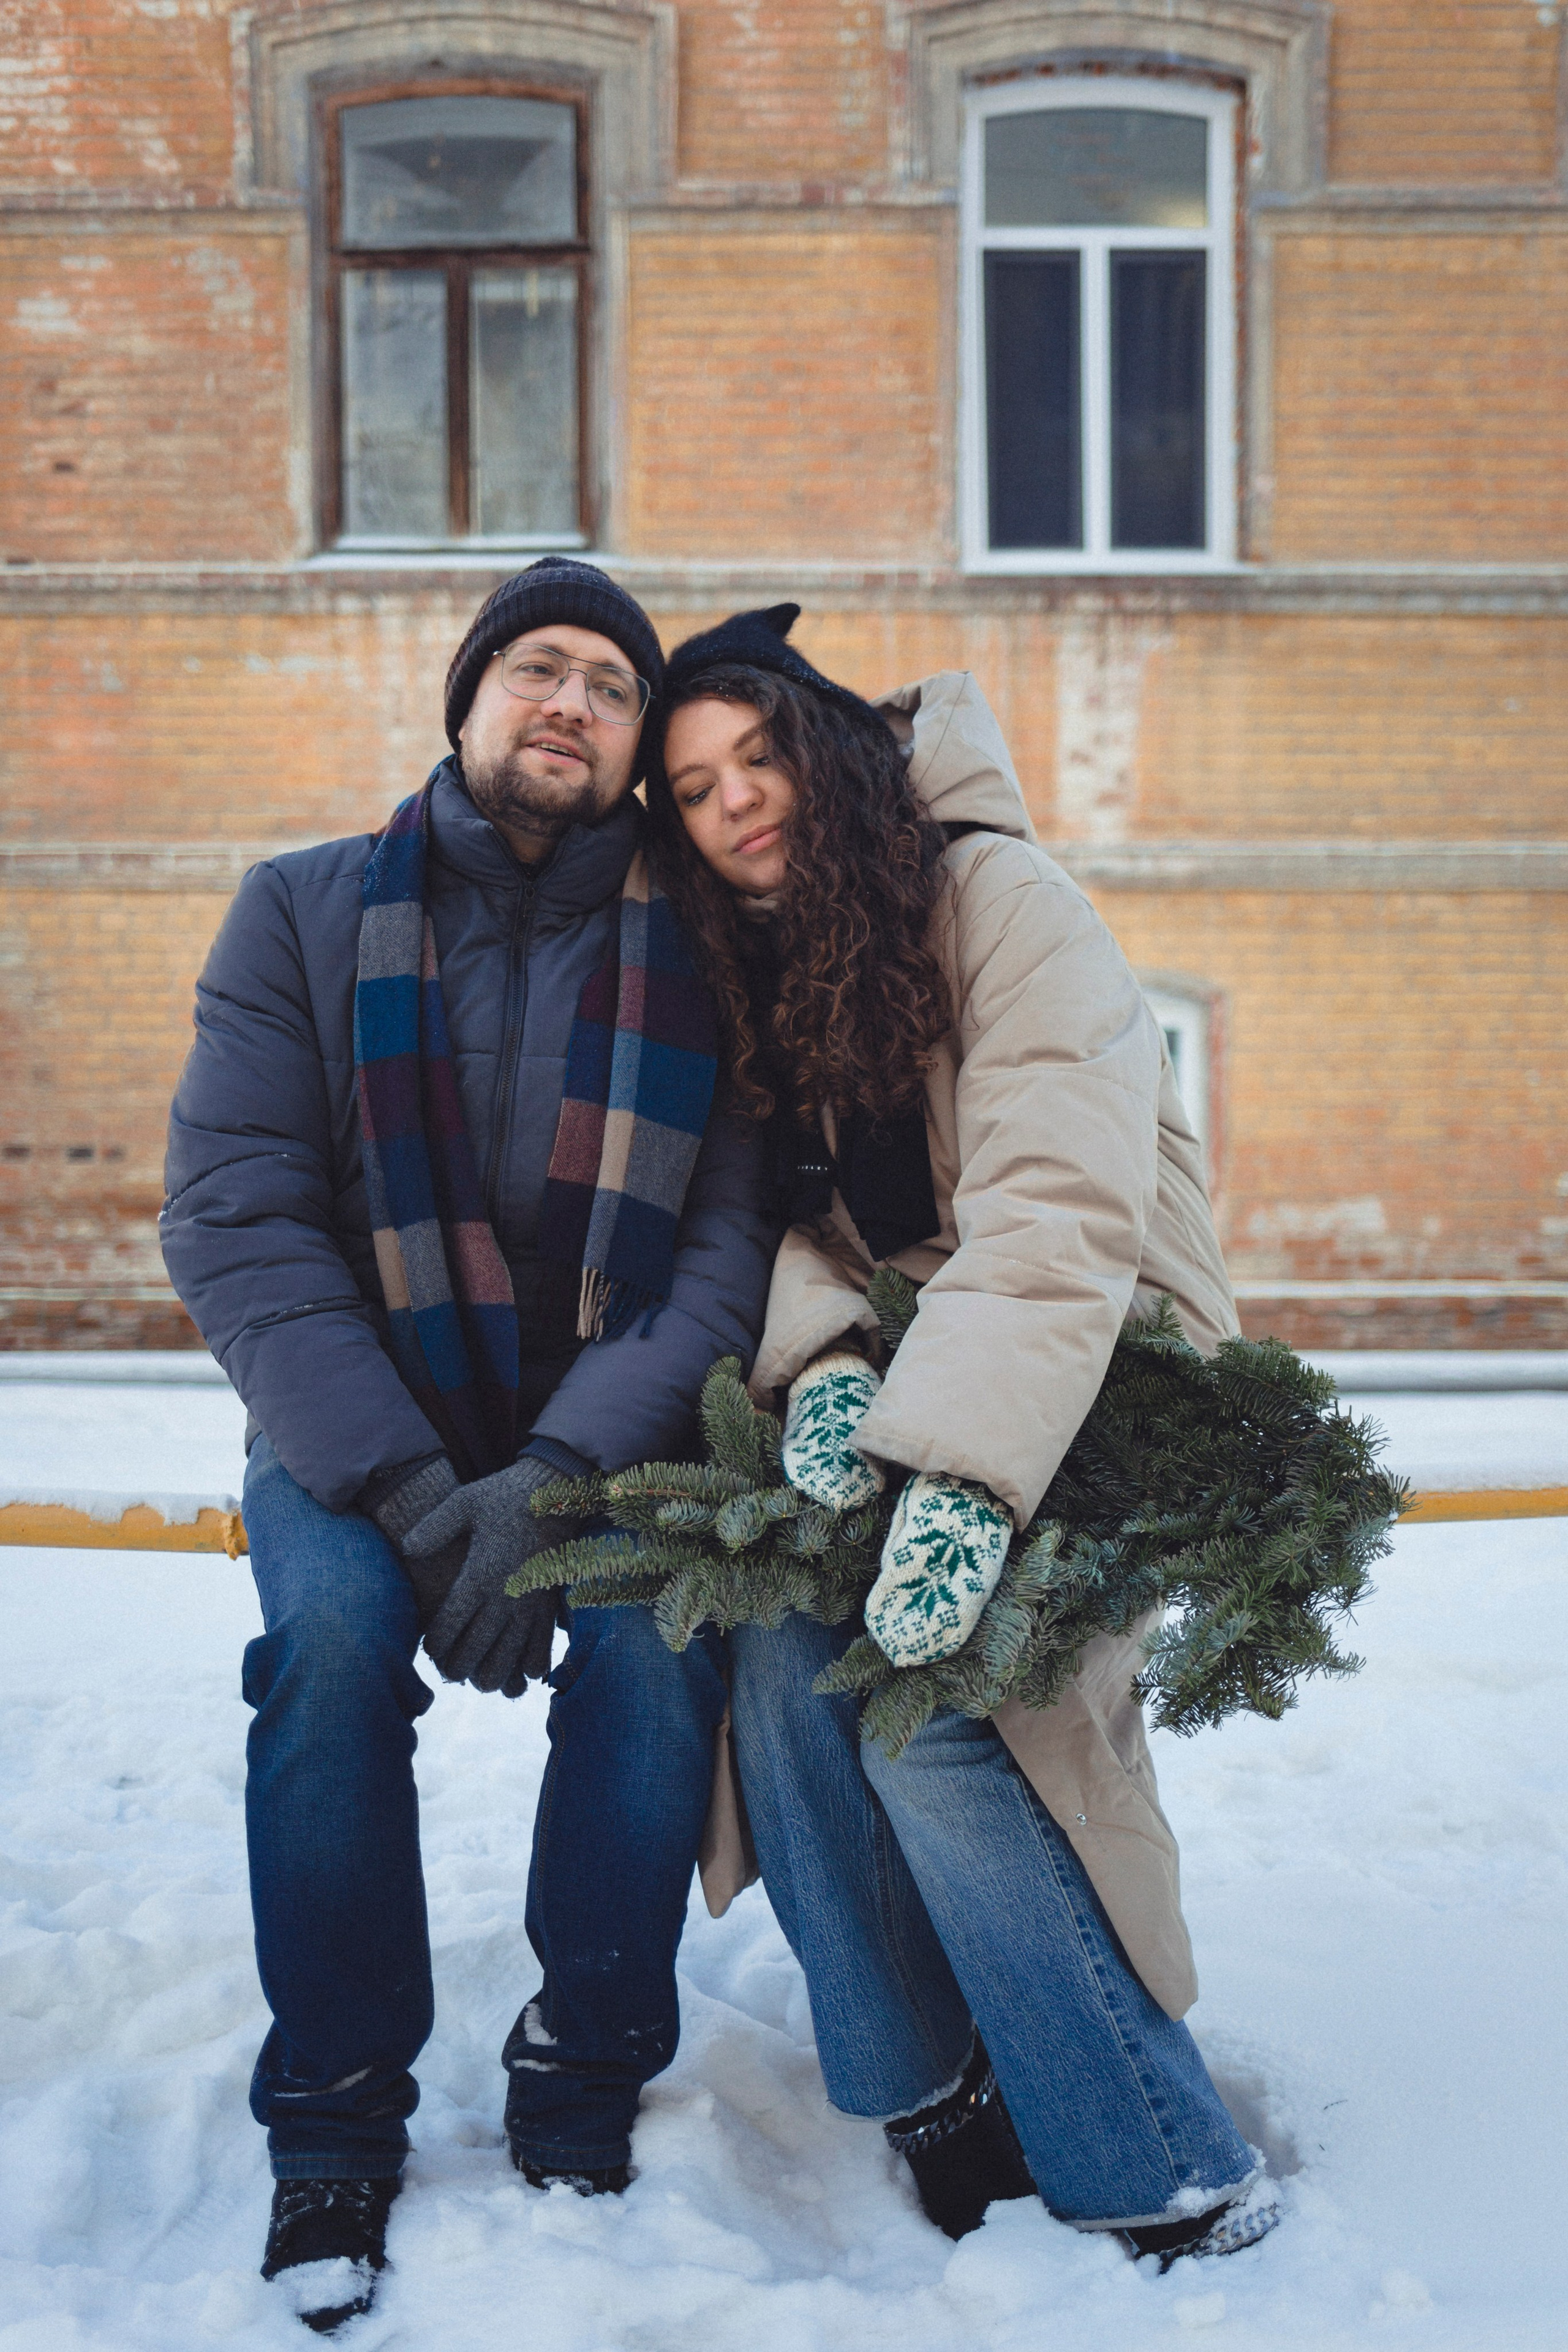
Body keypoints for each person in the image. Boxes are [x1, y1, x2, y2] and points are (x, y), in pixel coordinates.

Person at [160, 560, 778, 2330]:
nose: (568, 700)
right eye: (535, 667)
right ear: (470, 701)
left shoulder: (709, 953)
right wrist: (420, 1488)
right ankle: (336, 2113)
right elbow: (237, 1216)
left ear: (637, 739)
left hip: (605, 1432)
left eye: (607, 682)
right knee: (336, 1649)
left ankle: (586, 2064)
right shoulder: (296, 911)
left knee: (662, 1653)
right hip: (359, 1424)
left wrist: (558, 1480)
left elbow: (721, 1254)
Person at [644, 603, 1281, 2267]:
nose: (738, 803)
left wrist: (965, 1481)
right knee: (783, 1662)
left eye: (760, 753)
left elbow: (1057, 1211)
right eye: (697, 787)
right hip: (943, 1378)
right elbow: (803, 1231)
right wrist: (834, 1357)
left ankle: (1164, 2163)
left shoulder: (1002, 901)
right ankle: (933, 2095)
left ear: (834, 746)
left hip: (1108, 1379)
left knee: (934, 1710)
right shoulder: (772, 974)